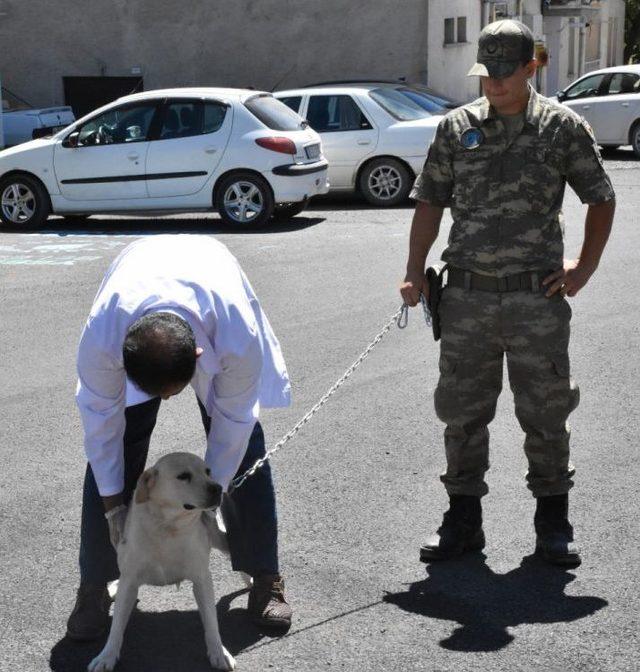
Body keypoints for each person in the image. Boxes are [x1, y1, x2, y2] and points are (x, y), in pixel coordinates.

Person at [400, 19, 615, 567]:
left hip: (535, 299)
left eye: (504, 73)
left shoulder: (562, 128)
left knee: (545, 411)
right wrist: (412, 269)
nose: (493, 84)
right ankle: (463, 522)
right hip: (467, 297)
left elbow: (601, 197)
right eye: (486, 73)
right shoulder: (456, 128)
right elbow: (430, 202)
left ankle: (553, 524)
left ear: (530, 67)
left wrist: (584, 267)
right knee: (462, 413)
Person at [66, 234, 293, 640]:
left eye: (172, 391)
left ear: (200, 359)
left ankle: (264, 574)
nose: (167, 401)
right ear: (123, 365)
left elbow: (234, 422)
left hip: (210, 271)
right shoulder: (102, 339)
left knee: (246, 452)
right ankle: (94, 587)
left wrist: (209, 499)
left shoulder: (236, 335)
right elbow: (101, 430)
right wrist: (113, 509)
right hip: (138, 271)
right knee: (116, 449)